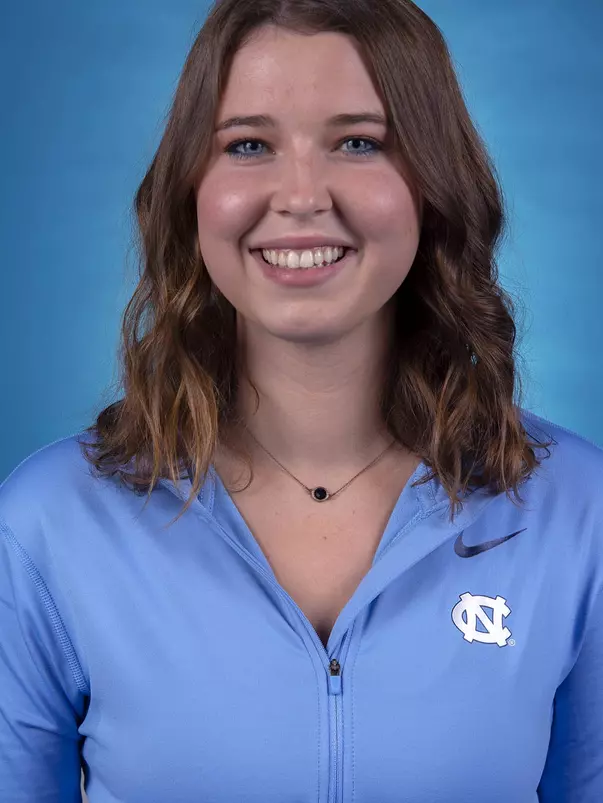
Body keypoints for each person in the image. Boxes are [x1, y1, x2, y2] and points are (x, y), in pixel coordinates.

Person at [1, 0, 602, 800]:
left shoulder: (576, 513)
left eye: (358, 142)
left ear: (432, 185)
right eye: (247, 145)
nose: (300, 195)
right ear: (191, 191)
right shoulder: (49, 521)